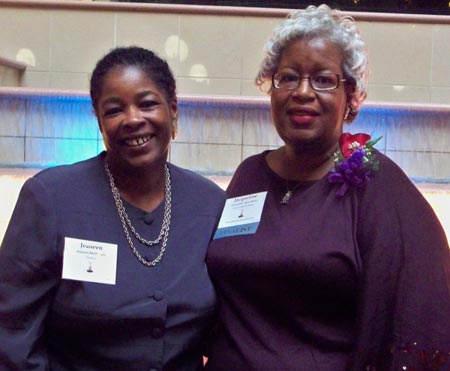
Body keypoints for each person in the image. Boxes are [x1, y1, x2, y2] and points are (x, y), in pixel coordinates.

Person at [205, 5, 450, 371]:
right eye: (287, 77)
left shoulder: (377, 184)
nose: (302, 92)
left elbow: (419, 311)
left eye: (323, 79)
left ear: (350, 97)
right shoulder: (249, 175)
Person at [0, 46, 226, 370]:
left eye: (147, 103)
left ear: (173, 111)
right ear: (100, 122)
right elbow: (11, 333)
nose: (133, 119)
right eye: (114, 109)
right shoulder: (50, 199)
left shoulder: (209, 204)